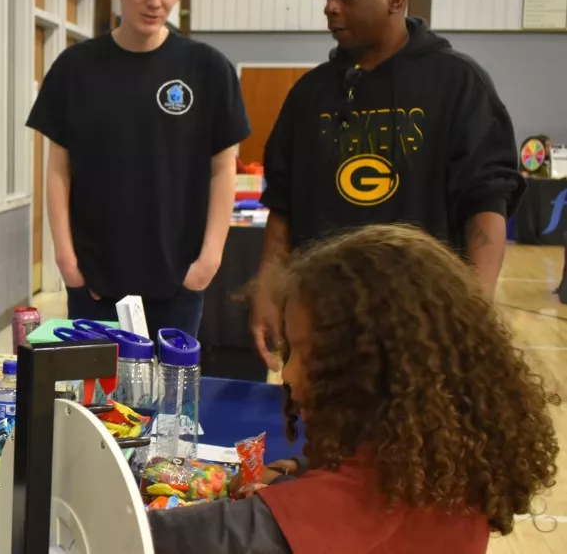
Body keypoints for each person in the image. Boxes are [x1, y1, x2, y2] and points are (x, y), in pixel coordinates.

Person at [149, 224, 560, 553]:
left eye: (305, 353)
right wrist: (297, 472)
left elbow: (157, 538)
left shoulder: (357, 503)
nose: (288, 374)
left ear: (369, 372)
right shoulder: (436, 463)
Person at [252, 0, 524, 369]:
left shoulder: (458, 83)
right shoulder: (309, 94)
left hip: (425, 325)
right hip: (321, 323)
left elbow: (485, 200)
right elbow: (282, 207)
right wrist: (269, 292)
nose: (330, 7)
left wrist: (475, 308)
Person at [26, 0, 250, 340]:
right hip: (94, 279)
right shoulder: (76, 68)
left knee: (171, 382)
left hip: (178, 278)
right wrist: (66, 259)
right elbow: (59, 167)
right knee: (95, 382)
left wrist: (210, 260)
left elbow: (223, 168)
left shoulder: (208, 69)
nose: (155, 1)